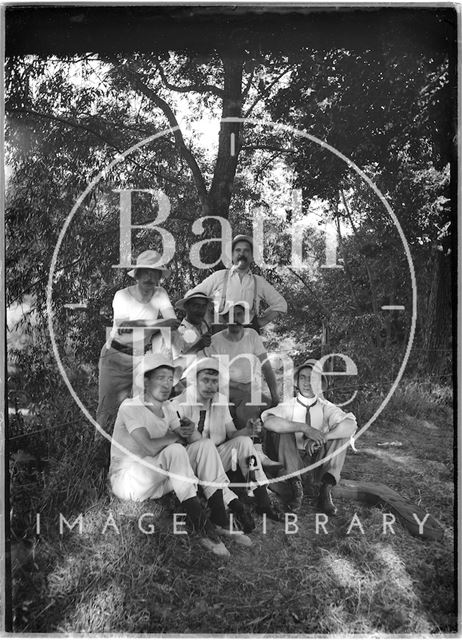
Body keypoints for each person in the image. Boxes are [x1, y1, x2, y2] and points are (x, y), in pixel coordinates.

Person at [108, 354, 250, 555]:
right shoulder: (131, 406)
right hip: (128, 480)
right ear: (146, 381)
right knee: (174, 450)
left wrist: (190, 430)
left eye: (169, 379)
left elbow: (191, 442)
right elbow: (149, 446)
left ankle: (219, 519)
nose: (166, 384)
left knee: (205, 445)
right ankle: (202, 528)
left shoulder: (167, 408)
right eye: (160, 378)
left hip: (156, 476)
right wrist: (176, 436)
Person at [171, 357, 282, 522]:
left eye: (215, 381)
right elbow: (179, 442)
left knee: (244, 442)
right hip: (191, 461)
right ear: (195, 381)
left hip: (216, 457)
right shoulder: (180, 403)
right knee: (206, 445)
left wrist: (247, 430)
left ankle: (263, 501)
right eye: (205, 380)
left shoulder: (220, 400)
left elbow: (231, 434)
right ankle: (219, 501)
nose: (210, 386)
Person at [96, 249, 181, 436]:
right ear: (137, 274)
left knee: (143, 408)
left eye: (155, 273)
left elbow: (173, 323)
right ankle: (97, 458)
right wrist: (160, 324)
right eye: (146, 272)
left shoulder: (160, 294)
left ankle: (139, 454)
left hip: (140, 359)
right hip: (115, 357)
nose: (150, 277)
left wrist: (139, 324)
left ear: (159, 276)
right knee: (106, 412)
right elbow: (124, 328)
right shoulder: (122, 295)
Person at [261, 359, 357, 515]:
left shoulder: (326, 406)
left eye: (312, 378)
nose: (307, 382)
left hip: (318, 463)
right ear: (297, 382)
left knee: (342, 435)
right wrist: (305, 428)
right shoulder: (289, 405)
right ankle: (296, 488)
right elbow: (269, 422)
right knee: (282, 429)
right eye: (303, 377)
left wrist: (323, 437)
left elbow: (351, 425)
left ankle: (325, 491)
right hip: (293, 462)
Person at [186, 235, 287, 332]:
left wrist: (260, 322)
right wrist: (208, 317)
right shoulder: (219, 276)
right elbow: (191, 295)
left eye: (246, 251)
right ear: (232, 255)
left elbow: (281, 304)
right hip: (220, 331)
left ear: (252, 257)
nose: (242, 254)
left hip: (248, 332)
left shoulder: (259, 282)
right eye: (238, 250)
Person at [202, 302, 279, 429]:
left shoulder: (252, 335)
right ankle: (253, 441)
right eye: (231, 315)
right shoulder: (215, 341)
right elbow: (210, 373)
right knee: (249, 404)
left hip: (248, 388)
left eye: (239, 314)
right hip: (225, 387)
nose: (235, 319)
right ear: (226, 319)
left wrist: (275, 397)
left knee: (274, 411)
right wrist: (238, 385)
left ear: (244, 318)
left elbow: (266, 366)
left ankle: (266, 444)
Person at [172, 291, 212, 365]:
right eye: (196, 306)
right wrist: (197, 346)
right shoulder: (178, 332)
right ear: (186, 307)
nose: (201, 310)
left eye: (204, 306)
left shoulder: (205, 327)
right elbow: (175, 365)